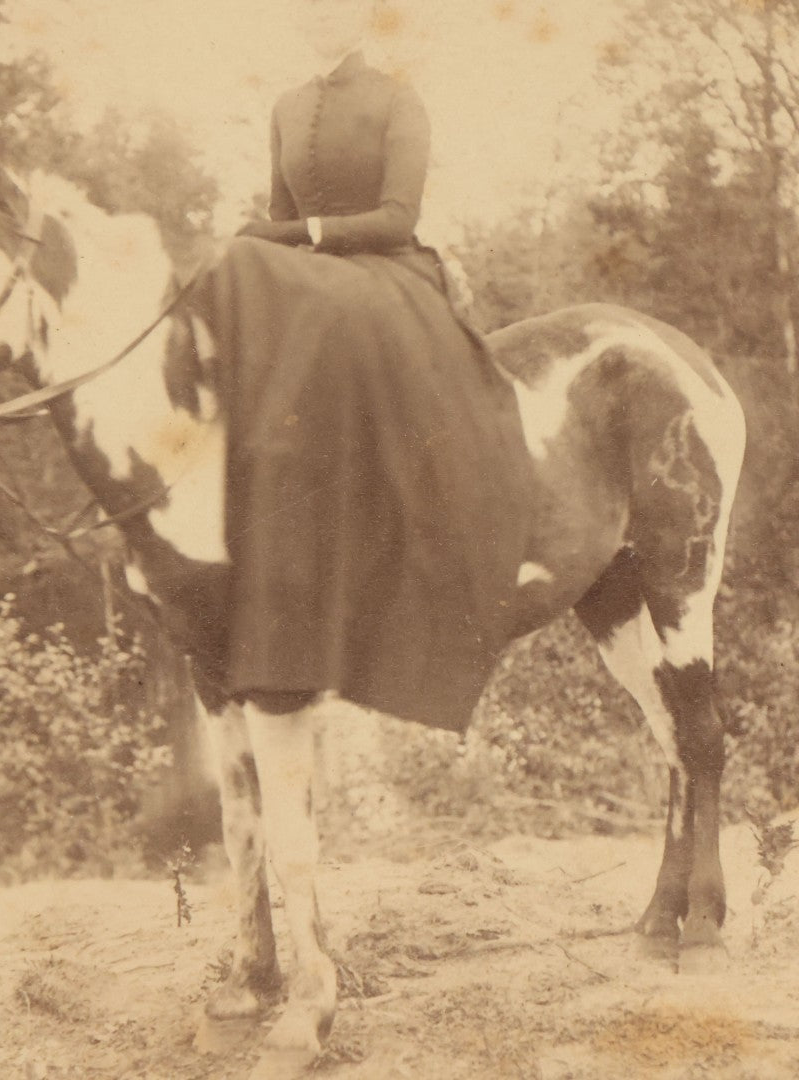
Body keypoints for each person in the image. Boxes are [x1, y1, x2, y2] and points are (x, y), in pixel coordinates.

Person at [187, 0, 533, 731]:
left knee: (333, 318)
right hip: (310, 281)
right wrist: (257, 241)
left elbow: (397, 217)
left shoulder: (397, 100)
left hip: (389, 274)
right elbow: (277, 219)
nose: (320, 18)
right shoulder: (284, 107)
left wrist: (302, 232)